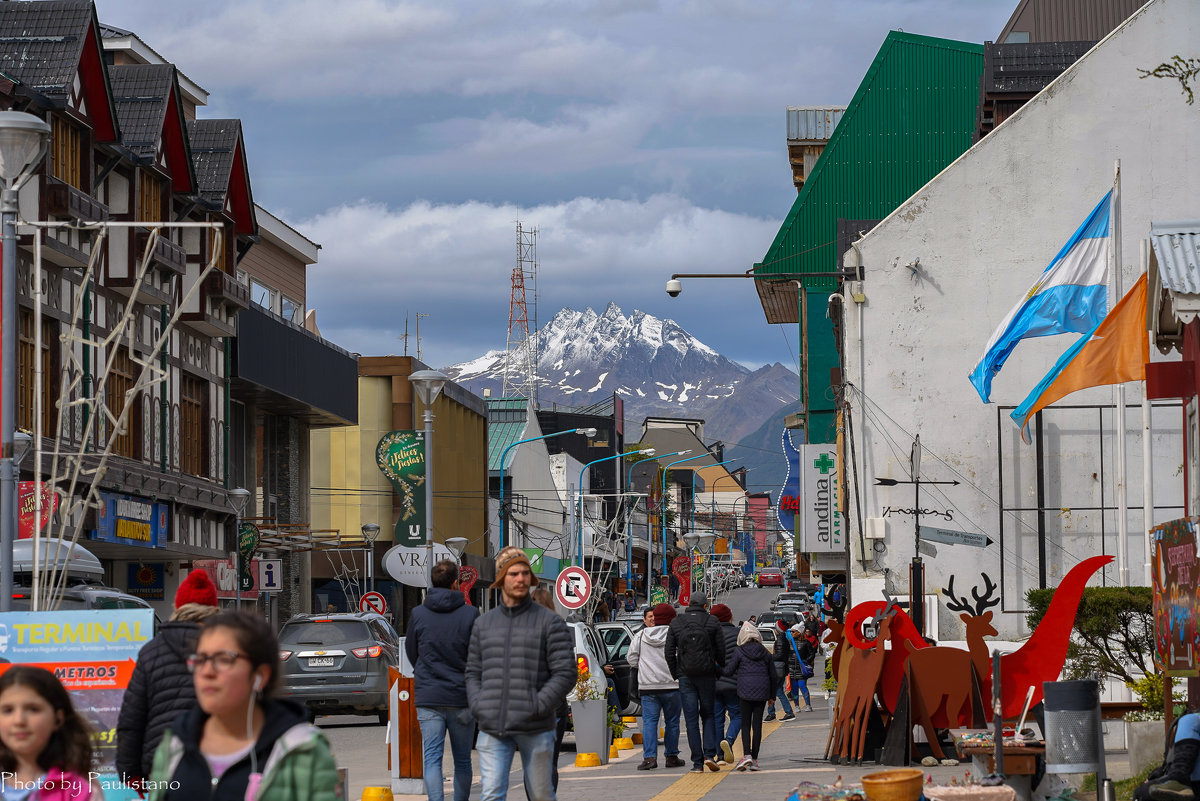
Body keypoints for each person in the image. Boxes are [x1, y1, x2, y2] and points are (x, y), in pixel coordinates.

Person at [147, 610, 339, 801]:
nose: (207, 672)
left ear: (260, 675)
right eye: (200, 659)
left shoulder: (302, 749)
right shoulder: (175, 743)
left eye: (223, 659)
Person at [466, 547, 574, 801]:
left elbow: (565, 673)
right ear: (501, 579)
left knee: (540, 795)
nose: (521, 578)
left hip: (536, 726)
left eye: (526, 573)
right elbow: (472, 672)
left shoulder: (550, 623)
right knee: (492, 794)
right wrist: (479, 706)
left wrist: (538, 705)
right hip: (494, 726)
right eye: (513, 573)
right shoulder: (484, 624)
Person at [117, 568, 221, 787]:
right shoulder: (227, 649)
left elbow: (132, 718)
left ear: (178, 607)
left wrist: (130, 774)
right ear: (213, 610)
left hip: (162, 763)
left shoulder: (151, 651)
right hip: (218, 761)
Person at [406, 559, 480, 801]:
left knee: (432, 759)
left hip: (429, 696)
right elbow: (478, 654)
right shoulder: (470, 614)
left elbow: (412, 651)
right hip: (461, 697)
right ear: (456, 583)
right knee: (462, 760)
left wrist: (427, 671)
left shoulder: (418, 614)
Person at [0, 666, 97, 800]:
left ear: (58, 718)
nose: (19, 721)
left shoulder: (79, 789)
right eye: (8, 710)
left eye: (33, 709)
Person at [665, 592, 726, 772]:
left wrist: (676, 672)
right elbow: (721, 650)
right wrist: (718, 669)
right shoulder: (712, 621)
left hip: (686, 677)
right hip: (707, 675)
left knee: (691, 720)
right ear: (705, 606)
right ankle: (710, 755)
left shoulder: (677, 622)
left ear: (689, 604)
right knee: (708, 715)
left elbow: (669, 652)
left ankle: (697, 763)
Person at [628, 603, 685, 771]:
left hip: (648, 687)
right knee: (672, 722)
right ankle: (672, 756)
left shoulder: (640, 636)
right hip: (673, 686)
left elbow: (631, 659)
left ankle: (650, 758)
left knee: (650, 722)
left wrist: (647, 667)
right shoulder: (676, 635)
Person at [723, 623, 777, 772]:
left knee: (745, 725)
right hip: (762, 693)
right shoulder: (765, 652)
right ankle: (755, 760)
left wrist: (717, 667)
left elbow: (729, 671)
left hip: (745, 692)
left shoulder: (739, 651)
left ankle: (746, 755)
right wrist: (772, 696)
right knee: (757, 726)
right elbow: (773, 675)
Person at [710, 604, 741, 765]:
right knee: (738, 715)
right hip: (734, 683)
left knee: (717, 719)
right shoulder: (738, 634)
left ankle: (719, 757)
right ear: (730, 617)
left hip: (713, 683)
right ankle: (728, 741)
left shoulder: (709, 635)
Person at [765, 620, 796, 722]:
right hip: (781, 668)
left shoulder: (780, 640)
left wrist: (769, 657)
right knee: (777, 691)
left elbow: (779, 655)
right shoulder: (783, 639)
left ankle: (777, 713)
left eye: (775, 627)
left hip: (777, 668)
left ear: (778, 629)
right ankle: (774, 713)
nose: (774, 629)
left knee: (773, 690)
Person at [783, 624, 816, 713]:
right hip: (791, 668)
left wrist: (806, 661)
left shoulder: (806, 642)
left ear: (799, 633)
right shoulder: (788, 642)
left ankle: (808, 705)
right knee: (794, 688)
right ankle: (796, 706)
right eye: (791, 631)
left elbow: (811, 654)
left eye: (793, 631)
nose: (792, 633)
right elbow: (785, 654)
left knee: (802, 686)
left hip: (801, 669)